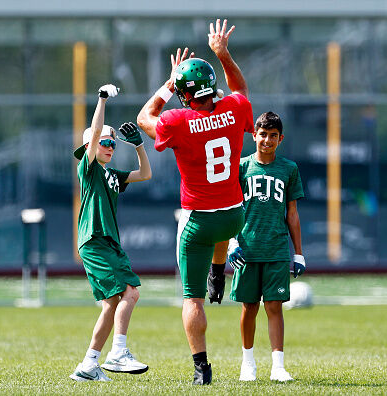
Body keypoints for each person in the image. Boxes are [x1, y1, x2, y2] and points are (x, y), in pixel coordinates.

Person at [137, 19, 253, 385]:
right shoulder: (234, 108)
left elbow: (144, 118)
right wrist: (223, 53)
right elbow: (241, 89)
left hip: (198, 219)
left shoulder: (178, 120)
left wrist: (170, 83)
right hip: (235, 214)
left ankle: (202, 368)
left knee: (192, 299)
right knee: (223, 231)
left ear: (186, 95)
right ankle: (219, 271)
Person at [69, 84, 152, 382]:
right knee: (130, 292)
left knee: (112, 303)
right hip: (96, 239)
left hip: (108, 242)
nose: (110, 147)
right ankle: (118, 352)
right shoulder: (88, 167)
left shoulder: (112, 174)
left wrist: (139, 145)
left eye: (114, 144)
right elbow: (92, 135)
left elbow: (145, 174)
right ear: (92, 144)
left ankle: (89, 365)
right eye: (106, 142)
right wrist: (101, 100)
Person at [227, 111, 306, 382]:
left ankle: (278, 366)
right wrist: (231, 242)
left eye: (273, 136)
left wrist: (298, 253)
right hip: (246, 249)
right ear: (254, 135)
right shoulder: (240, 167)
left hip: (275, 249)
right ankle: (247, 363)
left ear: (280, 138)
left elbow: (292, 214)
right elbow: (229, 208)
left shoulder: (289, 168)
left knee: (274, 306)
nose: (267, 140)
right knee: (249, 307)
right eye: (263, 134)